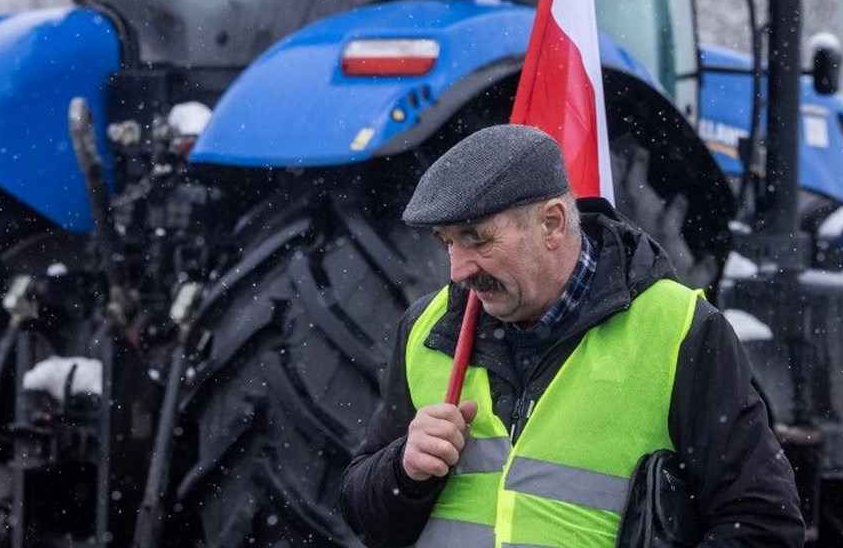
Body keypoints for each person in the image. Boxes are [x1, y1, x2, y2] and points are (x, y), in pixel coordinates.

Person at [338, 124, 804, 547]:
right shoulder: (427, 330)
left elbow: (764, 525)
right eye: (447, 242)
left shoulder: (679, 331)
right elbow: (362, 514)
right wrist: (403, 471)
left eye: (476, 238)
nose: (458, 271)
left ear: (553, 223)